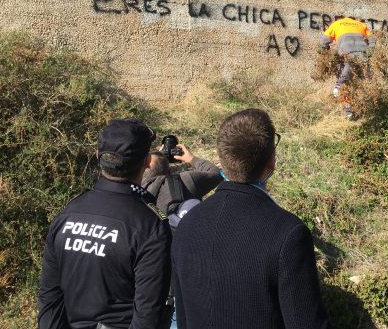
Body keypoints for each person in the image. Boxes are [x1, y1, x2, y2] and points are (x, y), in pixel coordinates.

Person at [172, 108, 330, 329]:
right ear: (271, 162)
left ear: (222, 159)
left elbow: (183, 315)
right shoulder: (289, 234)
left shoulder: (188, 223)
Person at [38, 118, 173, 329]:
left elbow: (49, 299)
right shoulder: (150, 225)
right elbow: (148, 315)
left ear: (97, 156)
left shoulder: (68, 213)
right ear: (147, 161)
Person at [319, 16, 375, 117]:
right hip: (362, 56)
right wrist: (370, 52)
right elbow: (372, 40)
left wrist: (325, 51)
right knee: (364, 80)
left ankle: (340, 95)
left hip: (346, 55)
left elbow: (324, 41)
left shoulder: (336, 24)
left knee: (345, 81)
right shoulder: (361, 24)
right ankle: (364, 110)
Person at [142, 147, 221, 216]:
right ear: (170, 171)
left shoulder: (133, 192)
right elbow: (216, 174)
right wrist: (191, 159)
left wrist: (157, 156)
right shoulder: (184, 180)